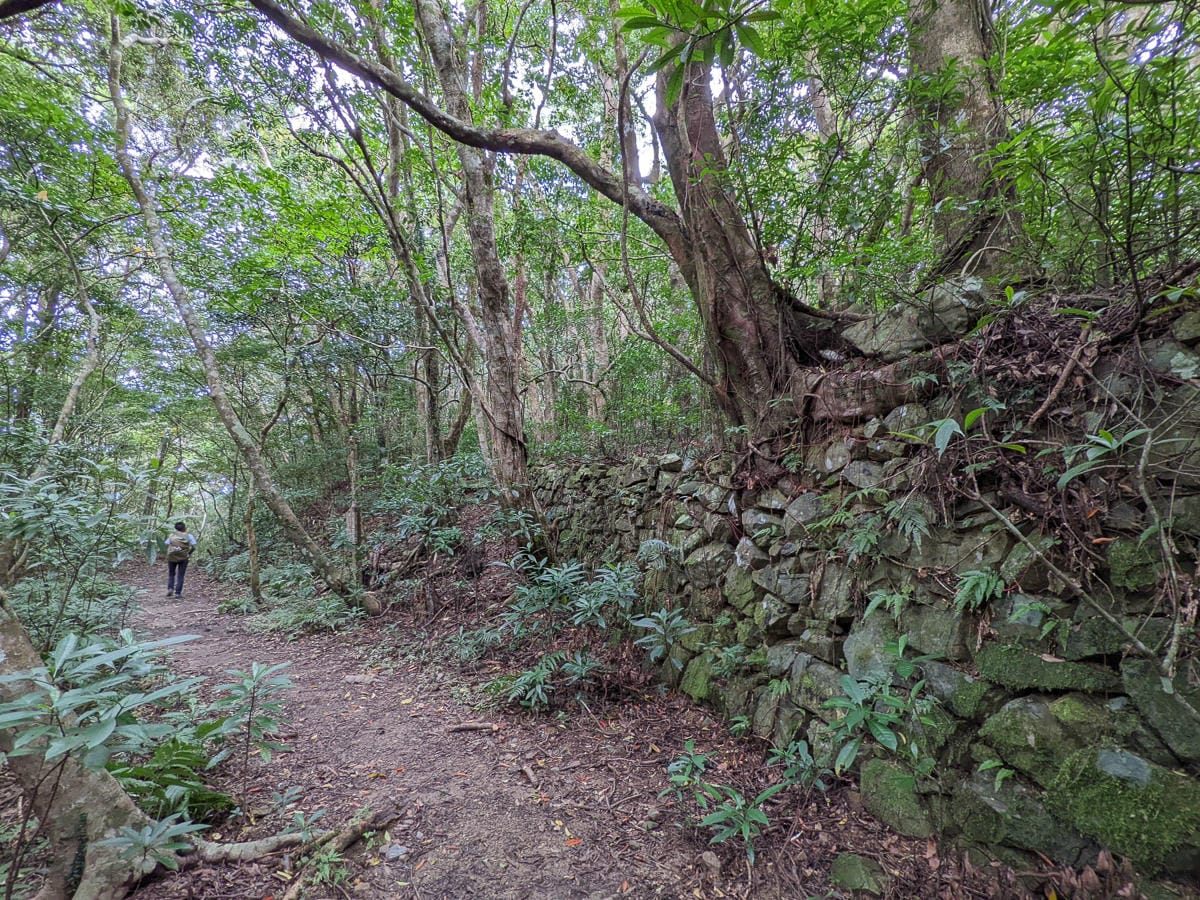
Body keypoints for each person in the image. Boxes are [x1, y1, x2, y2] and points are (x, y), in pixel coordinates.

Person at [165, 521, 197, 597]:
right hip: (183, 557)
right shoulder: (189, 536)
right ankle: (178, 593)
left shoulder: (172, 535)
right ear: (184, 527)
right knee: (181, 575)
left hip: (172, 557)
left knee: (171, 573)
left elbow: (166, 544)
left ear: (175, 528)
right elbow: (194, 547)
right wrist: (189, 553)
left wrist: (172, 551)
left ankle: (170, 588)